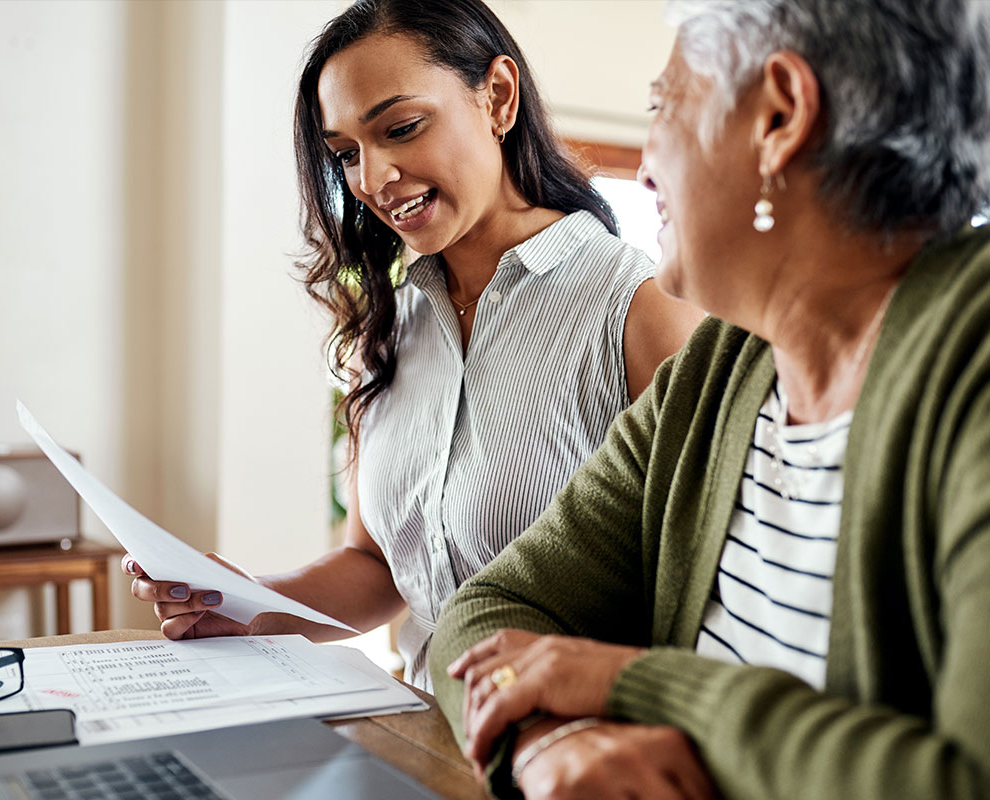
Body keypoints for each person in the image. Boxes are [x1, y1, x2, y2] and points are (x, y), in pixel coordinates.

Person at [429, 0, 990, 797]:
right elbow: (487, 612)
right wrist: (550, 738)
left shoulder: (979, 363)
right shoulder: (720, 371)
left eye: (663, 106)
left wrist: (637, 685)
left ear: (780, 115)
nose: (647, 159)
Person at [121, 0, 703, 691]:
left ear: (498, 97)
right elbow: (376, 569)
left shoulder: (638, 308)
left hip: (579, 759)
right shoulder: (389, 331)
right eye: (345, 154)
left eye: (401, 128)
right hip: (425, 736)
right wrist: (246, 602)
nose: (370, 179)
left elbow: (700, 596)